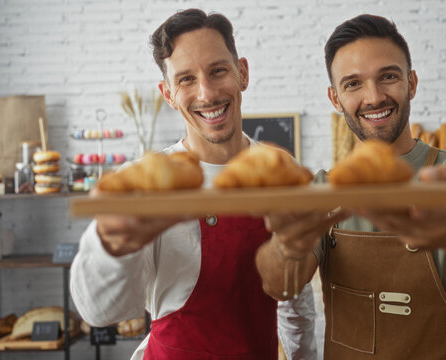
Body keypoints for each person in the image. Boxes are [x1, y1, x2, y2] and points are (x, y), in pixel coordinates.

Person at [256, 14, 446, 359]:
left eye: (388, 77)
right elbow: (279, 284)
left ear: (412, 83)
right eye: (353, 84)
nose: (374, 97)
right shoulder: (322, 191)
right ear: (335, 98)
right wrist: (286, 244)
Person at [70, 9, 336, 360]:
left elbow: (294, 298)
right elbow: (99, 313)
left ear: (242, 72)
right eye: (186, 79)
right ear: (168, 94)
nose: (207, 93)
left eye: (218, 71)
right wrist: (108, 244)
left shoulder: (279, 173)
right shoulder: (147, 185)